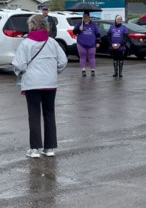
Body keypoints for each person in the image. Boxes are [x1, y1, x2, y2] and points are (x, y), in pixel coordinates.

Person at [14, 13, 68, 158]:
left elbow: (19, 65)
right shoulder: (52, 42)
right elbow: (63, 61)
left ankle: (34, 149)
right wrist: (54, 71)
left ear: (31, 26)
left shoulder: (25, 43)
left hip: (32, 83)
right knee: (49, 114)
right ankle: (49, 148)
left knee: (34, 114)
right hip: (50, 83)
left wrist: (21, 73)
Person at [72, 11, 100, 76]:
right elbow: (74, 32)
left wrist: (98, 42)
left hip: (92, 44)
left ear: (89, 17)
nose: (85, 18)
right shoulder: (79, 24)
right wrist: (79, 29)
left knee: (92, 57)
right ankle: (83, 70)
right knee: (82, 57)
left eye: (86, 16)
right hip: (81, 44)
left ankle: (92, 70)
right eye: (84, 16)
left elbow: (98, 34)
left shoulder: (93, 25)